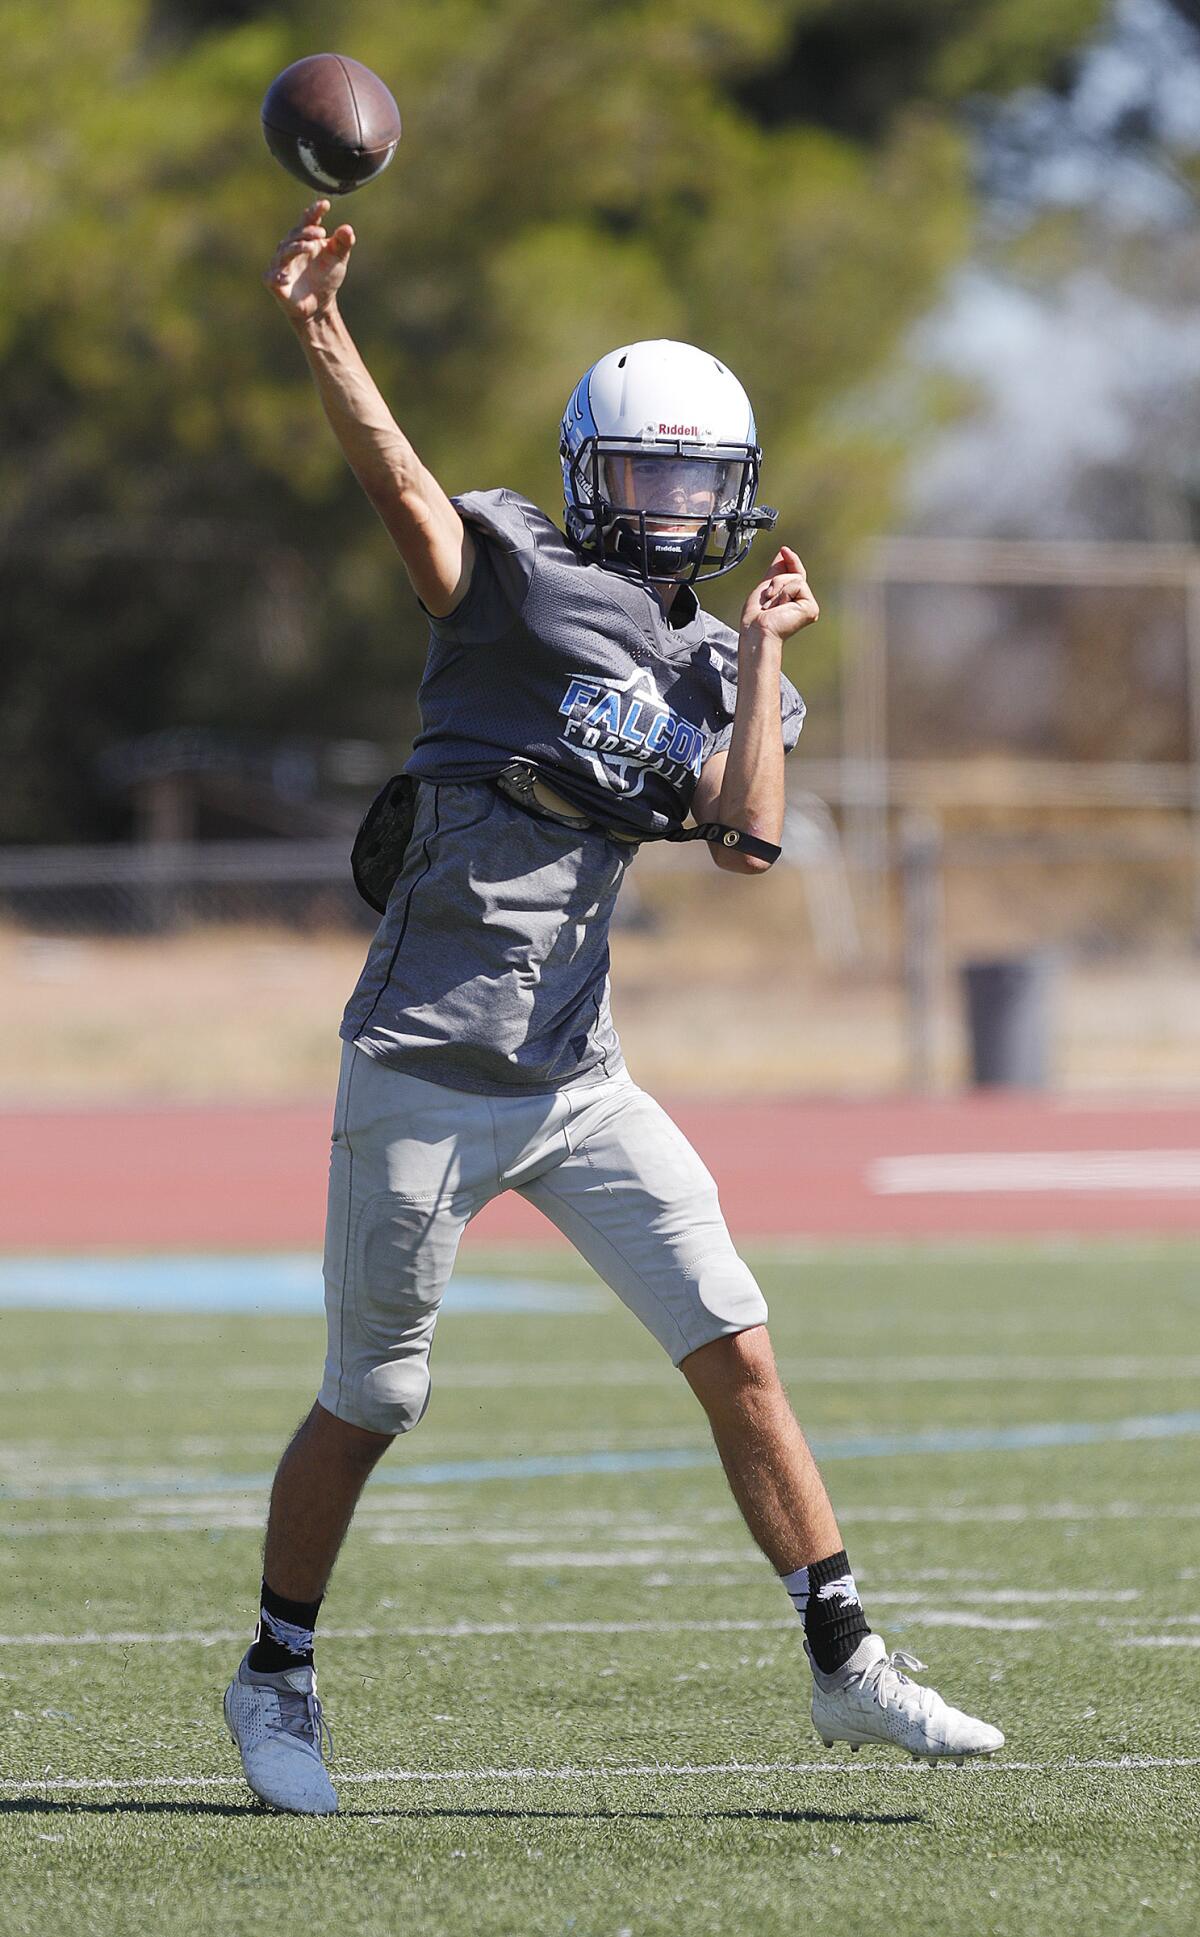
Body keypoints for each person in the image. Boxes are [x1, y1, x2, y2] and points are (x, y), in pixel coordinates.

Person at [223, 200, 1004, 1816]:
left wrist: (777, 651)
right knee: (374, 1394)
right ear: (591, 473)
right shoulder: (510, 578)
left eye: (697, 479)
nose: (673, 506)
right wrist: (320, 332)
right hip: (425, 1066)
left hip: (577, 1073)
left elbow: (750, 838)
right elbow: (406, 496)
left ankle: (845, 1652)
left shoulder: (728, 662)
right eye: (647, 474)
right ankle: (275, 1673)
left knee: (737, 1341)